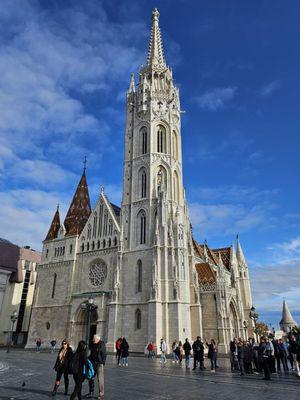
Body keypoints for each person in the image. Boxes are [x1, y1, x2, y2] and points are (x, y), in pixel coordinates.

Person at [87, 334, 106, 400]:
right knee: (91, 377)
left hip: (99, 364)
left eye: (94, 339)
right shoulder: (93, 345)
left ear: (97, 339)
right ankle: (91, 392)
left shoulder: (101, 344)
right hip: (93, 364)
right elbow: (92, 354)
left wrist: (102, 362)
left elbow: (104, 354)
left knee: (100, 380)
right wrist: (87, 359)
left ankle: (101, 394)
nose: (92, 340)